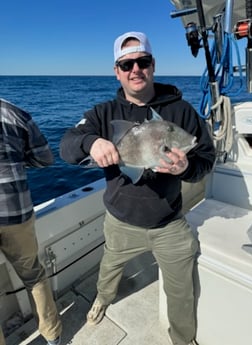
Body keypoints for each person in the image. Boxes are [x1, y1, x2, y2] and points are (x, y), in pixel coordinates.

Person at [59, 31, 216, 345]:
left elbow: (206, 158)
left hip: (169, 221)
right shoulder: (103, 114)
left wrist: (186, 168)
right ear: (117, 71)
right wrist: (92, 141)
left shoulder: (181, 111)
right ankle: (102, 299)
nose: (135, 69)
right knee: (108, 270)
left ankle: (183, 339)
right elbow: (66, 146)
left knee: (181, 291)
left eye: (142, 61)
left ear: (153, 65)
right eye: (126, 63)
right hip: (120, 221)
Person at [0, 99, 62, 345]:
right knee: (34, 276)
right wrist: (15, 159)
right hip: (17, 213)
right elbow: (45, 159)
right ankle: (52, 334)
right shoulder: (15, 114)